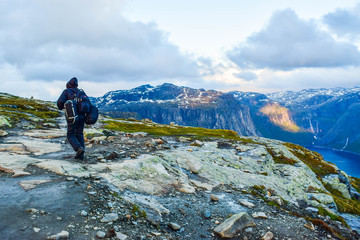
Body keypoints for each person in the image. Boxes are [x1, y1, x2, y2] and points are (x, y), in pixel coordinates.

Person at [57, 77, 85, 160]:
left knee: (70, 134)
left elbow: (60, 102)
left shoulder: (67, 91)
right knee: (79, 134)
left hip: (72, 115)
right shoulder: (81, 92)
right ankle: (81, 154)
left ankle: (78, 149)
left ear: (68, 84)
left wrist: (61, 107)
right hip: (82, 116)